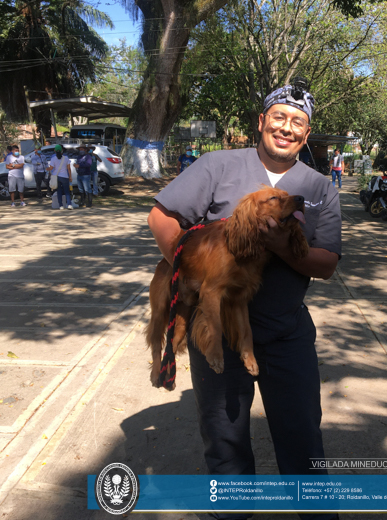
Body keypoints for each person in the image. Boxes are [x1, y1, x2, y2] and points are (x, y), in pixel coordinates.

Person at [148, 80, 341, 520]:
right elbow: (162, 216)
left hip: (287, 332)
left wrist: (278, 247)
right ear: (262, 121)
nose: (286, 128)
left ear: (306, 134)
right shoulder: (217, 165)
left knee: (302, 441)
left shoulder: (318, 186)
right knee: (225, 442)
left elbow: (326, 263)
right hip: (218, 331)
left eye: (298, 122)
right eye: (279, 117)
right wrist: (189, 268)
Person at [47, 144, 73, 210]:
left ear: (54, 151)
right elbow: (69, 169)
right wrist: (70, 176)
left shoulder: (53, 159)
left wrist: (46, 168)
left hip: (57, 177)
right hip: (65, 176)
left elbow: (51, 168)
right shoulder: (66, 158)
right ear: (62, 151)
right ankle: (69, 204)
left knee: (59, 191)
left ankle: (61, 205)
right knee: (67, 191)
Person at [74, 143, 93, 207]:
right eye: (80, 149)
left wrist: (79, 166)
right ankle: (82, 201)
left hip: (86, 175)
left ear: (85, 150)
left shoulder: (88, 157)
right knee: (81, 189)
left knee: (87, 189)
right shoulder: (79, 157)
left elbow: (88, 164)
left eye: (82, 149)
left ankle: (89, 202)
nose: (80, 150)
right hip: (79, 174)